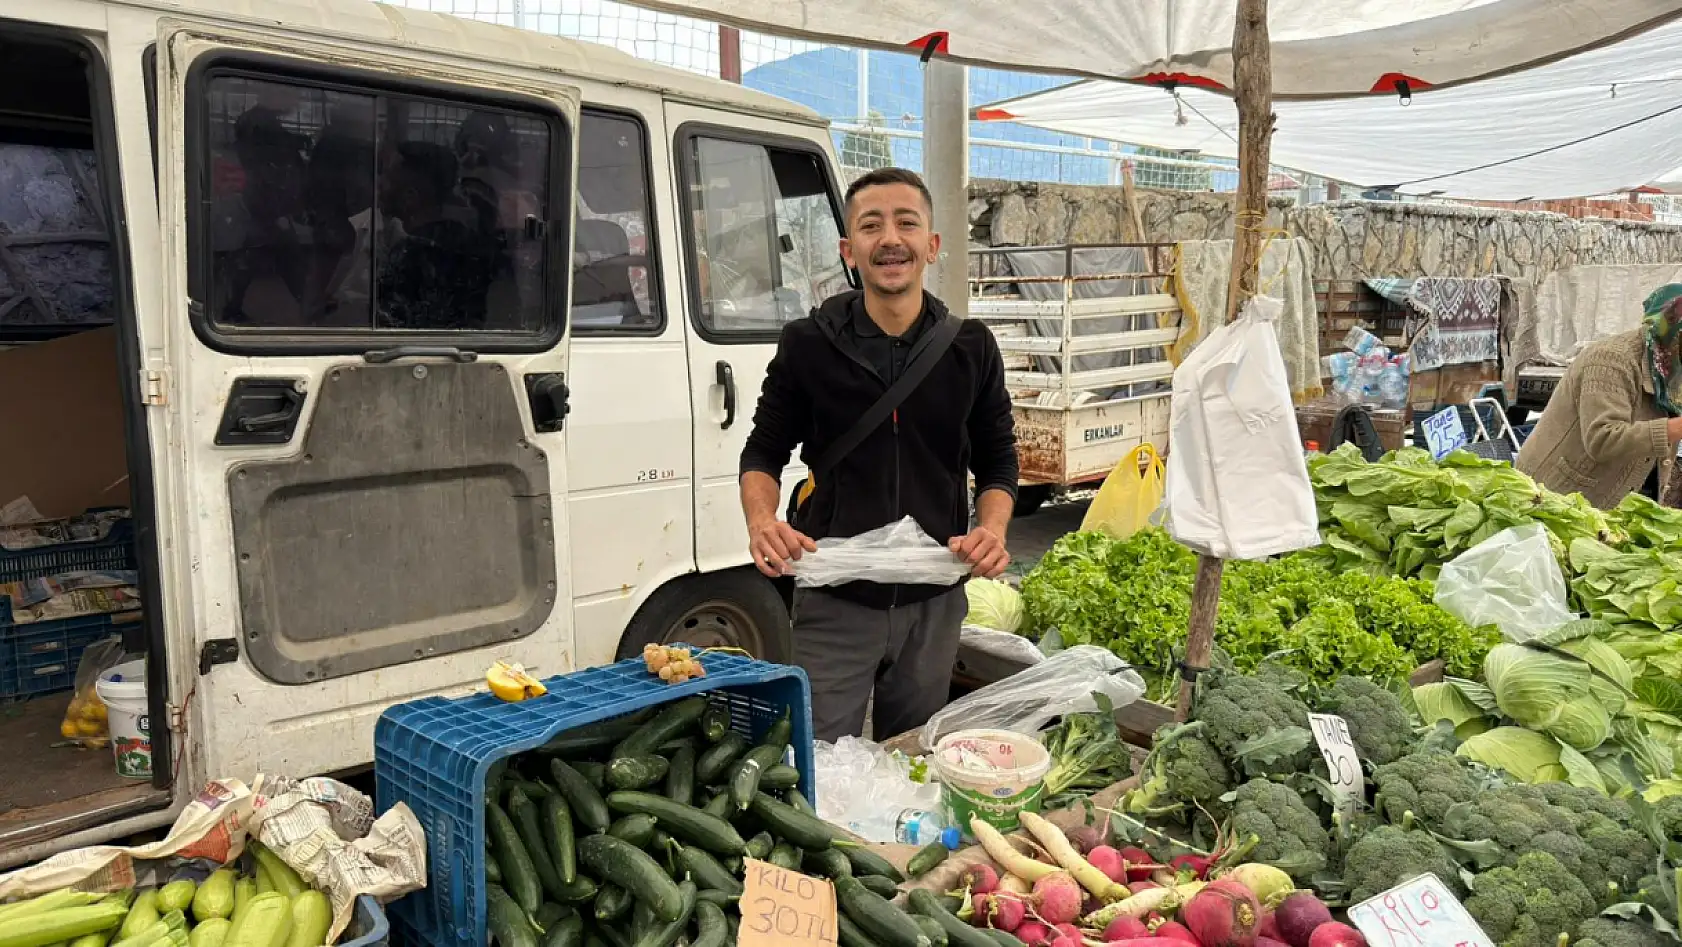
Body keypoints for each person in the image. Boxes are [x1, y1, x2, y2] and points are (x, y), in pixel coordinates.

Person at [737, 167, 1019, 743]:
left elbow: (998, 460)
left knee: (911, 756)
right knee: (818, 759)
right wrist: (762, 521)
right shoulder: (807, 344)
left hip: (935, 604)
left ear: (931, 245)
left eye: (906, 222)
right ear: (850, 250)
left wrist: (992, 530)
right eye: (871, 225)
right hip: (836, 603)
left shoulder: (971, 347)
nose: (889, 238)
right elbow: (763, 451)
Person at [1517, 283, 1682, 509]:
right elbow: (1603, 439)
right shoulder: (1610, 361)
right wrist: (1677, 427)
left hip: (1620, 502)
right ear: (1670, 333)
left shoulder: (1670, 367)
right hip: (1553, 498)